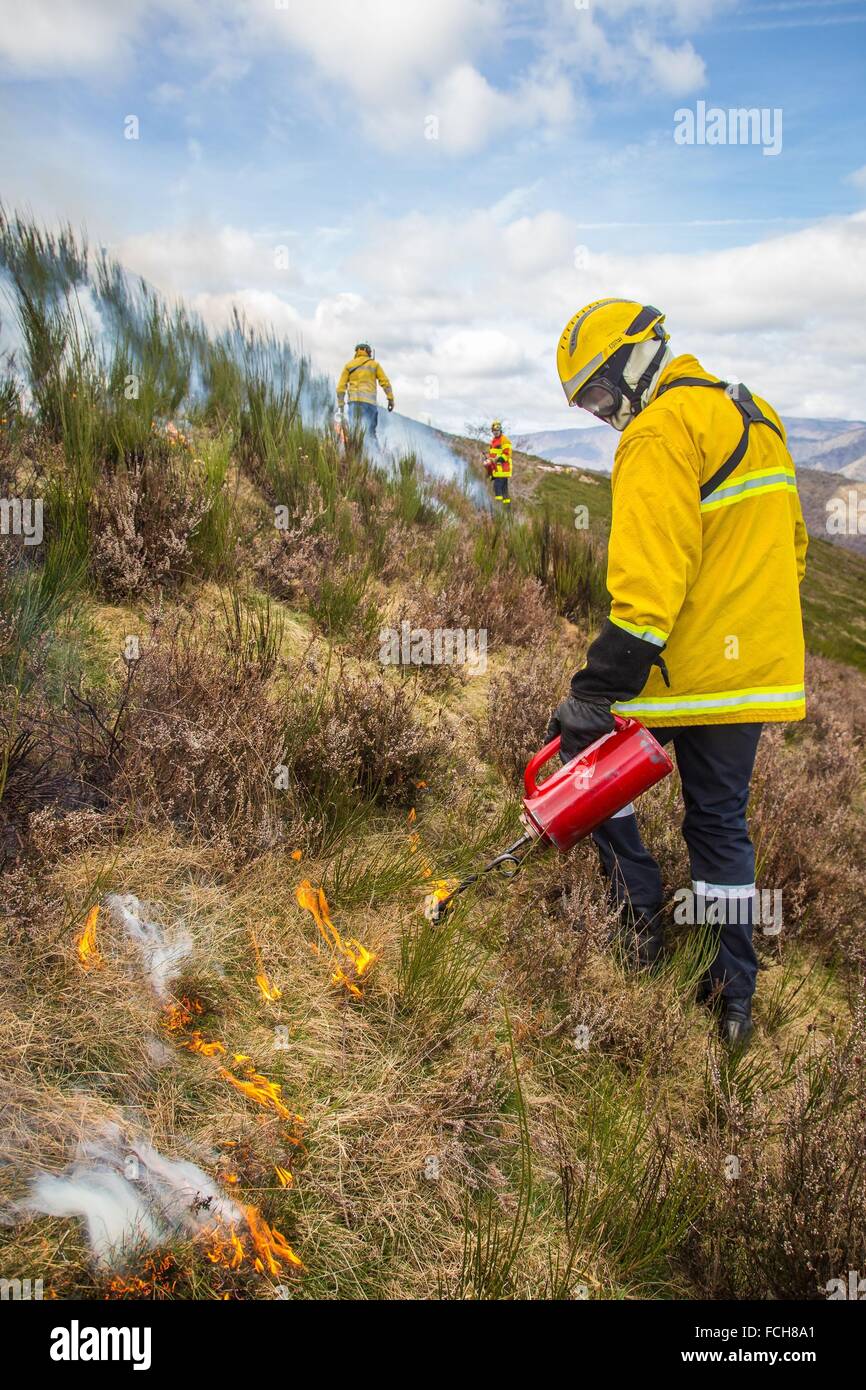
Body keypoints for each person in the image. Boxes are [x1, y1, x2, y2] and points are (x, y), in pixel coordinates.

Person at [549, 298, 808, 1047]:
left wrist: (594, 691)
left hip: (681, 671)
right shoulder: (758, 416)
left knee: (584, 760)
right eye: (590, 403)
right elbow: (791, 551)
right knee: (722, 826)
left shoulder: (659, 431)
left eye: (600, 392)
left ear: (636, 359)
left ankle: (638, 923)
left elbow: (647, 587)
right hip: (753, 676)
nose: (604, 414)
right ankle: (733, 999)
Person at [336, 343, 394, 442]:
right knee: (371, 433)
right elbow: (385, 382)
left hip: (354, 403)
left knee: (355, 432)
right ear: (367, 351)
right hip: (370, 405)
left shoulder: (349, 365)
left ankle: (357, 455)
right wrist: (390, 399)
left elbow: (340, 388)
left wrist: (341, 405)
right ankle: (375, 455)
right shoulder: (374, 364)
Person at [486, 420, 513, 505]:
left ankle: (499, 509)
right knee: (504, 491)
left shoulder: (505, 440)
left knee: (497, 488)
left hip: (502, 470)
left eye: (497, 431)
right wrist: (489, 459)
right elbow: (493, 454)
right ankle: (507, 511)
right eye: (494, 431)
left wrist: (498, 459)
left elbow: (507, 454)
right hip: (497, 470)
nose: (496, 432)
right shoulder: (493, 440)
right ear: (492, 431)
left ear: (500, 430)